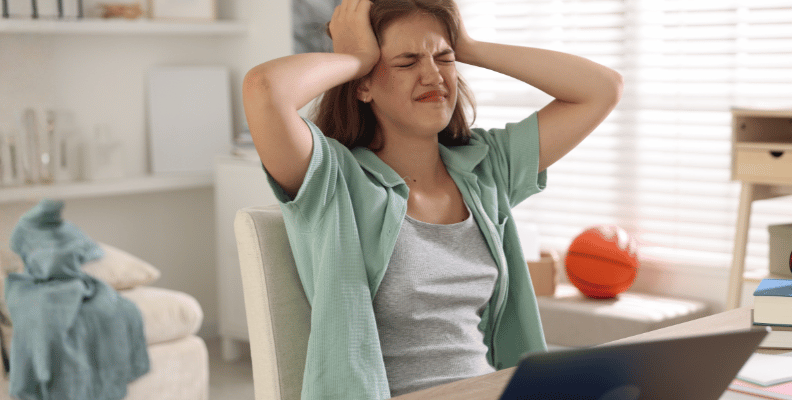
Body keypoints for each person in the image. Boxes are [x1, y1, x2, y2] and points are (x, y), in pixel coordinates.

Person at [242, 0, 622, 398]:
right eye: (406, 62)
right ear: (364, 85)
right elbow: (264, 89)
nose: (433, 75)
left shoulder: (485, 169)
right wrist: (356, 58)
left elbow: (602, 89)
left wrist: (467, 46)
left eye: (443, 59)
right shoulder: (333, 181)